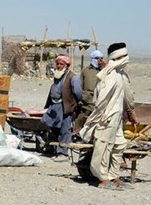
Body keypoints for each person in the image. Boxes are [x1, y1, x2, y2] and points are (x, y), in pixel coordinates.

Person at [83, 42, 140, 190]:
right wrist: (99, 116)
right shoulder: (109, 74)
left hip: (117, 118)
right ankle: (103, 179)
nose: (126, 58)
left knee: (120, 145)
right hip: (107, 117)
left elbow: (128, 95)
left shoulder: (121, 74)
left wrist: (131, 112)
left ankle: (113, 176)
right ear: (118, 57)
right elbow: (100, 99)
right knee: (104, 148)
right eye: (124, 56)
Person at [41, 55, 83, 161]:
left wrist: (73, 104)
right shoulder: (57, 75)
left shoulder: (72, 77)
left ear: (66, 65)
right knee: (53, 127)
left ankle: (63, 153)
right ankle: (54, 148)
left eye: (61, 64)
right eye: (58, 64)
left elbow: (78, 92)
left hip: (65, 106)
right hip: (54, 106)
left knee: (65, 129)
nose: (59, 66)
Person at [75, 50, 105, 133]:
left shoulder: (105, 71)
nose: (99, 60)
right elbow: (80, 85)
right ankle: (77, 131)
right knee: (81, 117)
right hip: (86, 99)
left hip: (100, 99)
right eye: (97, 58)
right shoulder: (86, 71)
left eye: (101, 58)